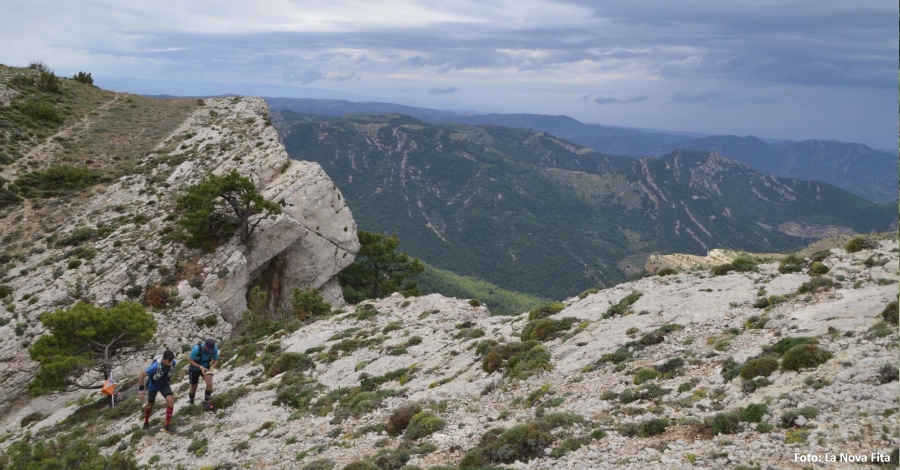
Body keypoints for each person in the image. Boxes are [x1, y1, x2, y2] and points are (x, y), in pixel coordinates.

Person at [138, 350, 177, 433]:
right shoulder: (155, 366)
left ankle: (167, 426)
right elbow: (141, 375)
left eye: (170, 362)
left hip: (164, 384)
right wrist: (141, 391)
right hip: (153, 386)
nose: (169, 364)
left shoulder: (172, 362)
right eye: (167, 362)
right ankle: (146, 422)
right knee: (150, 405)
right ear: (163, 359)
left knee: (171, 402)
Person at [188, 338, 219, 411]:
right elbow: (190, 361)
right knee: (194, 386)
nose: (209, 351)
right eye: (208, 349)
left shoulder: (214, 349)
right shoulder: (196, 349)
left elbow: (216, 360)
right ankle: (191, 404)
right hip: (194, 369)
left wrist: (212, 368)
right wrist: (200, 367)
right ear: (205, 345)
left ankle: (206, 403)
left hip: (206, 367)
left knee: (209, 383)